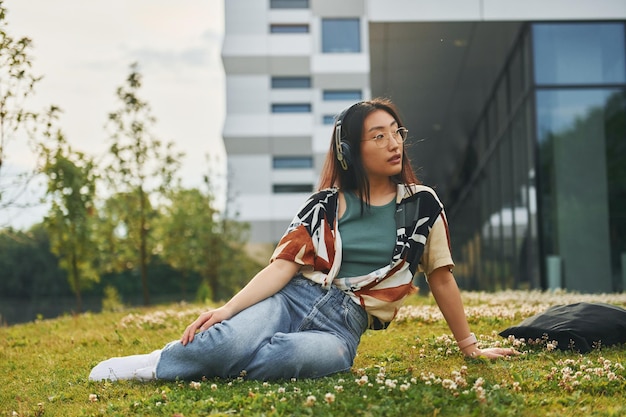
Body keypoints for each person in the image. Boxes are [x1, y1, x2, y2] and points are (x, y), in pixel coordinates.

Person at [89, 98, 518, 383]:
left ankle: (209, 359)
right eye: (379, 136)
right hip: (289, 298)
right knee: (230, 337)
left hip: (343, 326)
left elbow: (441, 278)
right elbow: (282, 267)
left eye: (397, 132)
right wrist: (227, 310)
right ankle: (159, 365)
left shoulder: (422, 205)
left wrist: (470, 348)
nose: (395, 143)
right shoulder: (322, 206)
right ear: (350, 152)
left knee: (298, 359)